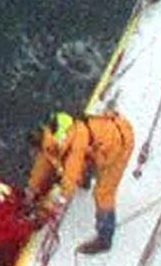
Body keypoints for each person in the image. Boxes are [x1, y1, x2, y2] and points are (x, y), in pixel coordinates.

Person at [25, 109, 135, 255]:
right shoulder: (52, 139)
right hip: (96, 141)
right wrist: (32, 190)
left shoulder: (74, 147)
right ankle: (86, 179)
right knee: (84, 163)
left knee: (103, 193)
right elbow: (44, 163)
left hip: (118, 145)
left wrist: (49, 207)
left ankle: (104, 238)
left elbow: (69, 183)